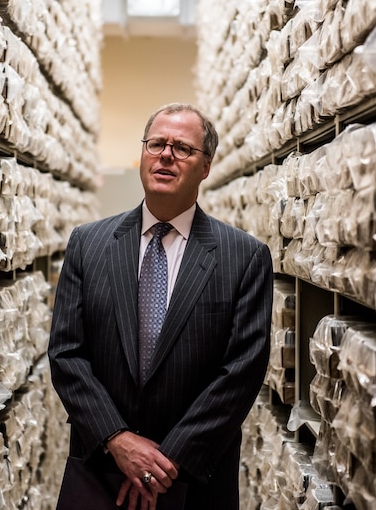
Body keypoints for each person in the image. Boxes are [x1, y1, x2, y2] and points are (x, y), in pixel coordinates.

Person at [48, 103, 273, 510]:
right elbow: (66, 354)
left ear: (206, 166)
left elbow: (241, 371)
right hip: (101, 469)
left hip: (193, 478)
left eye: (183, 148)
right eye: (156, 144)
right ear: (143, 154)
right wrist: (117, 439)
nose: (166, 155)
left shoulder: (244, 256)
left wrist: (167, 460)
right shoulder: (89, 244)